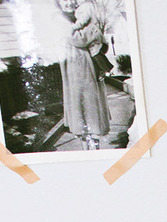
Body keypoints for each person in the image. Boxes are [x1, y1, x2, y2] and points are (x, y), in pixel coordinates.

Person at [56, 0, 111, 150]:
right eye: (64, 1)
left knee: (88, 111)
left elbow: (85, 38)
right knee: (83, 112)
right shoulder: (64, 21)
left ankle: (92, 149)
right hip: (75, 70)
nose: (68, 3)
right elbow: (76, 40)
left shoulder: (83, 16)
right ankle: (87, 149)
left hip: (85, 69)